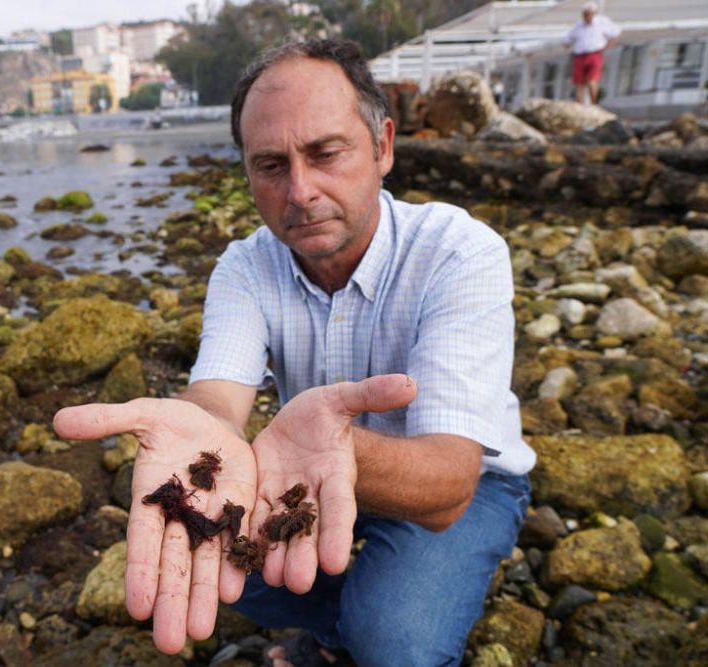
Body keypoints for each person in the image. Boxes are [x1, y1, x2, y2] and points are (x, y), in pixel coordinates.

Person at [54, 38, 536, 666]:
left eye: (325, 153)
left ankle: (358, 631)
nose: (301, 190)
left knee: (395, 641)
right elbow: (218, 399)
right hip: (305, 469)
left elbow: (448, 486)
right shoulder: (245, 267)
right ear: (248, 172)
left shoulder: (458, 253)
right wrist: (204, 438)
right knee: (208, 546)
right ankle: (339, 633)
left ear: (383, 146)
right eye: (271, 164)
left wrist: (337, 450)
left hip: (463, 484)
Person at [563, 1, 621, 105]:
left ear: (593, 13)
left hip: (595, 54)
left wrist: (606, 48)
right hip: (579, 56)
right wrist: (570, 51)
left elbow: (615, 34)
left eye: (589, 14)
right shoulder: (579, 25)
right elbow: (567, 41)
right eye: (585, 14)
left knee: (592, 80)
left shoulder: (602, 23)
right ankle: (579, 106)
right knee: (579, 83)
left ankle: (594, 104)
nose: (587, 16)